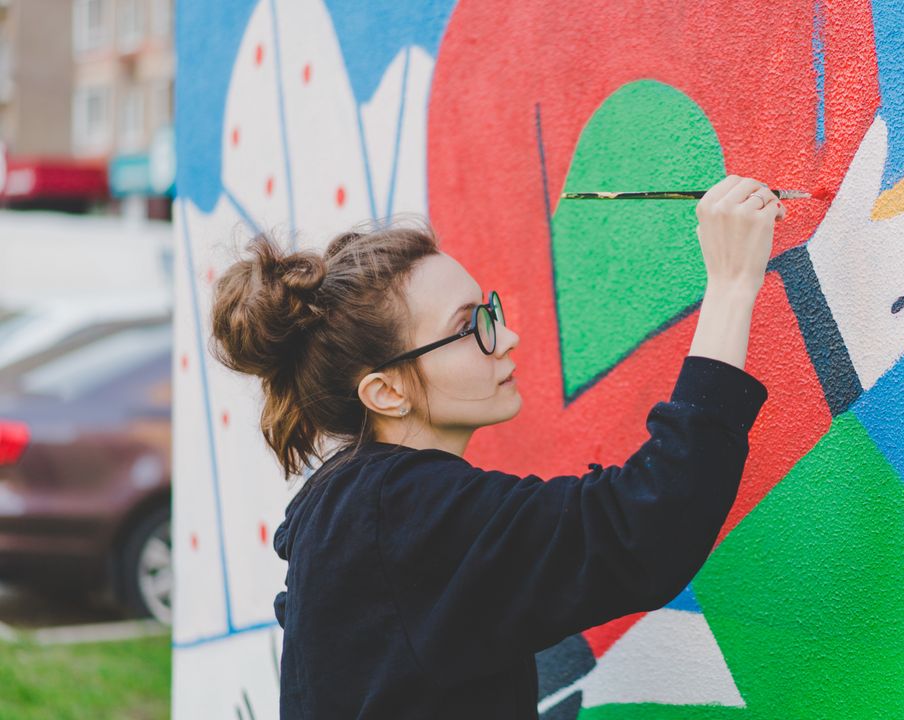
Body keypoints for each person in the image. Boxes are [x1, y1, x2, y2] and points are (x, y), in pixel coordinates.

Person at [208, 174, 786, 718]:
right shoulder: (403, 509)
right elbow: (643, 527)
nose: (505, 337)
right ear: (385, 392)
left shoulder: (350, 506)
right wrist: (733, 287)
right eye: (468, 327)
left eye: (489, 310)